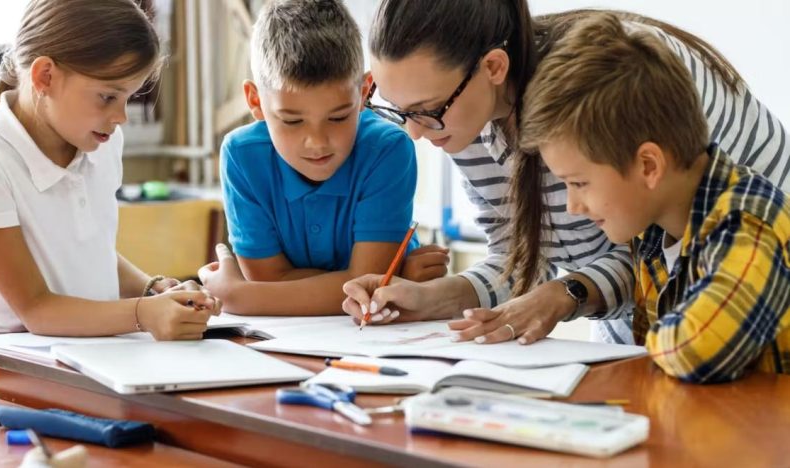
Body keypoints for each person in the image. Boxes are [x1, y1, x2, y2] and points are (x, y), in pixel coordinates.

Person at [341, 0, 790, 346]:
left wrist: (566, 292)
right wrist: (437, 297)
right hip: (649, 334)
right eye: (401, 112)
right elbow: (522, 257)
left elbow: (667, 254)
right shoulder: (463, 116)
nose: (416, 134)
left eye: (427, 111)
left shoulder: (621, 83)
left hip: (744, 310)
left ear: (493, 68)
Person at [0, 0, 220, 396]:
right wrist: (144, 315)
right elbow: (38, 309)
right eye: (108, 97)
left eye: (130, 98)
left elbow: (89, 250)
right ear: (45, 76)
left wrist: (153, 289)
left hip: (96, 360)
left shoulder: (102, 144)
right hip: (14, 378)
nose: (121, 116)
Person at [516, 12, 789, 381]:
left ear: (648, 165)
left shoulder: (749, 223)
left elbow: (694, 351)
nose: (573, 206)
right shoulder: (654, 231)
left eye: (579, 183)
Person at [197, 0, 448, 316]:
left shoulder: (387, 149)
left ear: (364, 93)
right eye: (291, 121)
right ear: (255, 101)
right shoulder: (241, 157)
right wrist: (394, 279)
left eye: (339, 117)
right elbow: (359, 284)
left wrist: (239, 296)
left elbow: (364, 285)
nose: (317, 143)